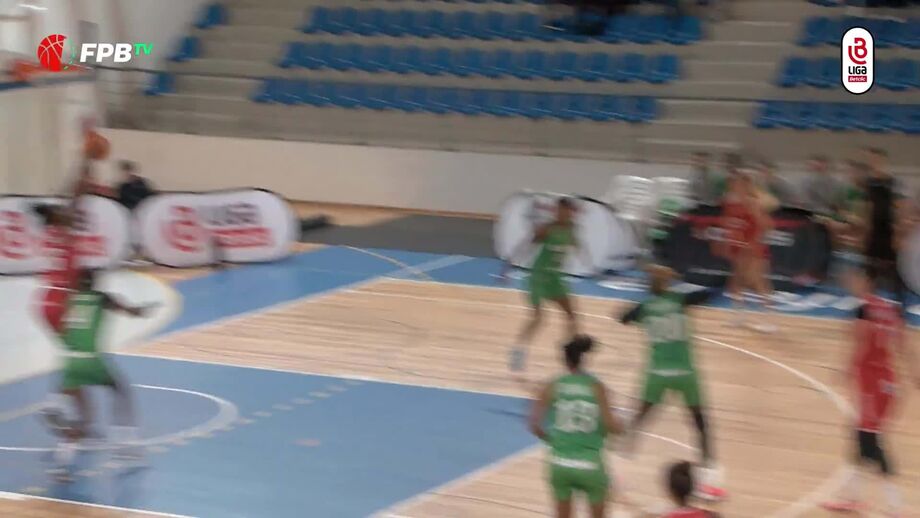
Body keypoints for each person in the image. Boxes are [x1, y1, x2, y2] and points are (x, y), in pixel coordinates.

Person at [617, 265, 725, 500]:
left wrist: (643, 308)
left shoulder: (645, 307)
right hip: (685, 372)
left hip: (657, 373)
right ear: (668, 285)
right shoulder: (680, 300)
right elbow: (711, 293)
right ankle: (710, 481)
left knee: (638, 421)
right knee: (700, 425)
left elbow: (622, 317)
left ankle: (616, 471)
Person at [823, 266, 920, 516]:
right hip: (888, 383)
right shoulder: (891, 309)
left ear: (867, 281)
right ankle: (853, 497)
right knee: (862, 437)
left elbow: (860, 344)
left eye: (855, 279)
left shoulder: (863, 310)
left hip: (871, 385)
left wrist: (845, 371)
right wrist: (914, 374)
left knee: (870, 442)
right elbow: (904, 344)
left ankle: (895, 504)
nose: (851, 283)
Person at [42, 268, 154, 480]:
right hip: (91, 360)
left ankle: (61, 465)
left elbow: (63, 328)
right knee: (121, 391)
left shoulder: (71, 300)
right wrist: (144, 310)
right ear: (95, 283)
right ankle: (125, 444)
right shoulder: (102, 298)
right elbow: (133, 311)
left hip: (70, 362)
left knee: (83, 419)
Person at [529, 335, 624, 518]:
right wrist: (622, 426)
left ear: (564, 360)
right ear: (584, 359)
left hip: (559, 464)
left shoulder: (552, 385)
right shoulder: (597, 387)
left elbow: (534, 425)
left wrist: (553, 441)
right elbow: (612, 426)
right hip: (590, 465)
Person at [504, 197, 584, 375]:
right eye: (560, 210)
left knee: (572, 316)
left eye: (567, 211)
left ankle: (572, 355)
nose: (563, 214)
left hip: (555, 278)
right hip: (539, 277)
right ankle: (518, 350)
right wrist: (508, 266)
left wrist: (587, 260)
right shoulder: (547, 229)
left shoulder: (571, 229)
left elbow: (577, 246)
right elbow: (525, 245)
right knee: (539, 318)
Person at [719, 172, 775, 332]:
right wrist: (728, 242)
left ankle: (768, 320)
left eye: (739, 183)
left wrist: (754, 243)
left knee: (758, 282)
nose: (735, 186)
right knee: (735, 282)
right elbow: (729, 224)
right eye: (734, 183)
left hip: (754, 249)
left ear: (746, 185)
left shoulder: (754, 202)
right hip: (738, 247)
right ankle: (739, 316)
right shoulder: (729, 202)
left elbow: (767, 225)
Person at [863, 147, 909, 315]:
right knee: (870, 269)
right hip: (874, 230)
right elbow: (868, 207)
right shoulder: (869, 182)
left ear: (883, 161)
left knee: (895, 269)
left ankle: (900, 305)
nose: (873, 162)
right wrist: (866, 230)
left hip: (889, 229)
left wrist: (899, 233)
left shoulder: (892, 182)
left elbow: (900, 207)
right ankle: (869, 305)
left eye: (876, 159)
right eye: (871, 159)